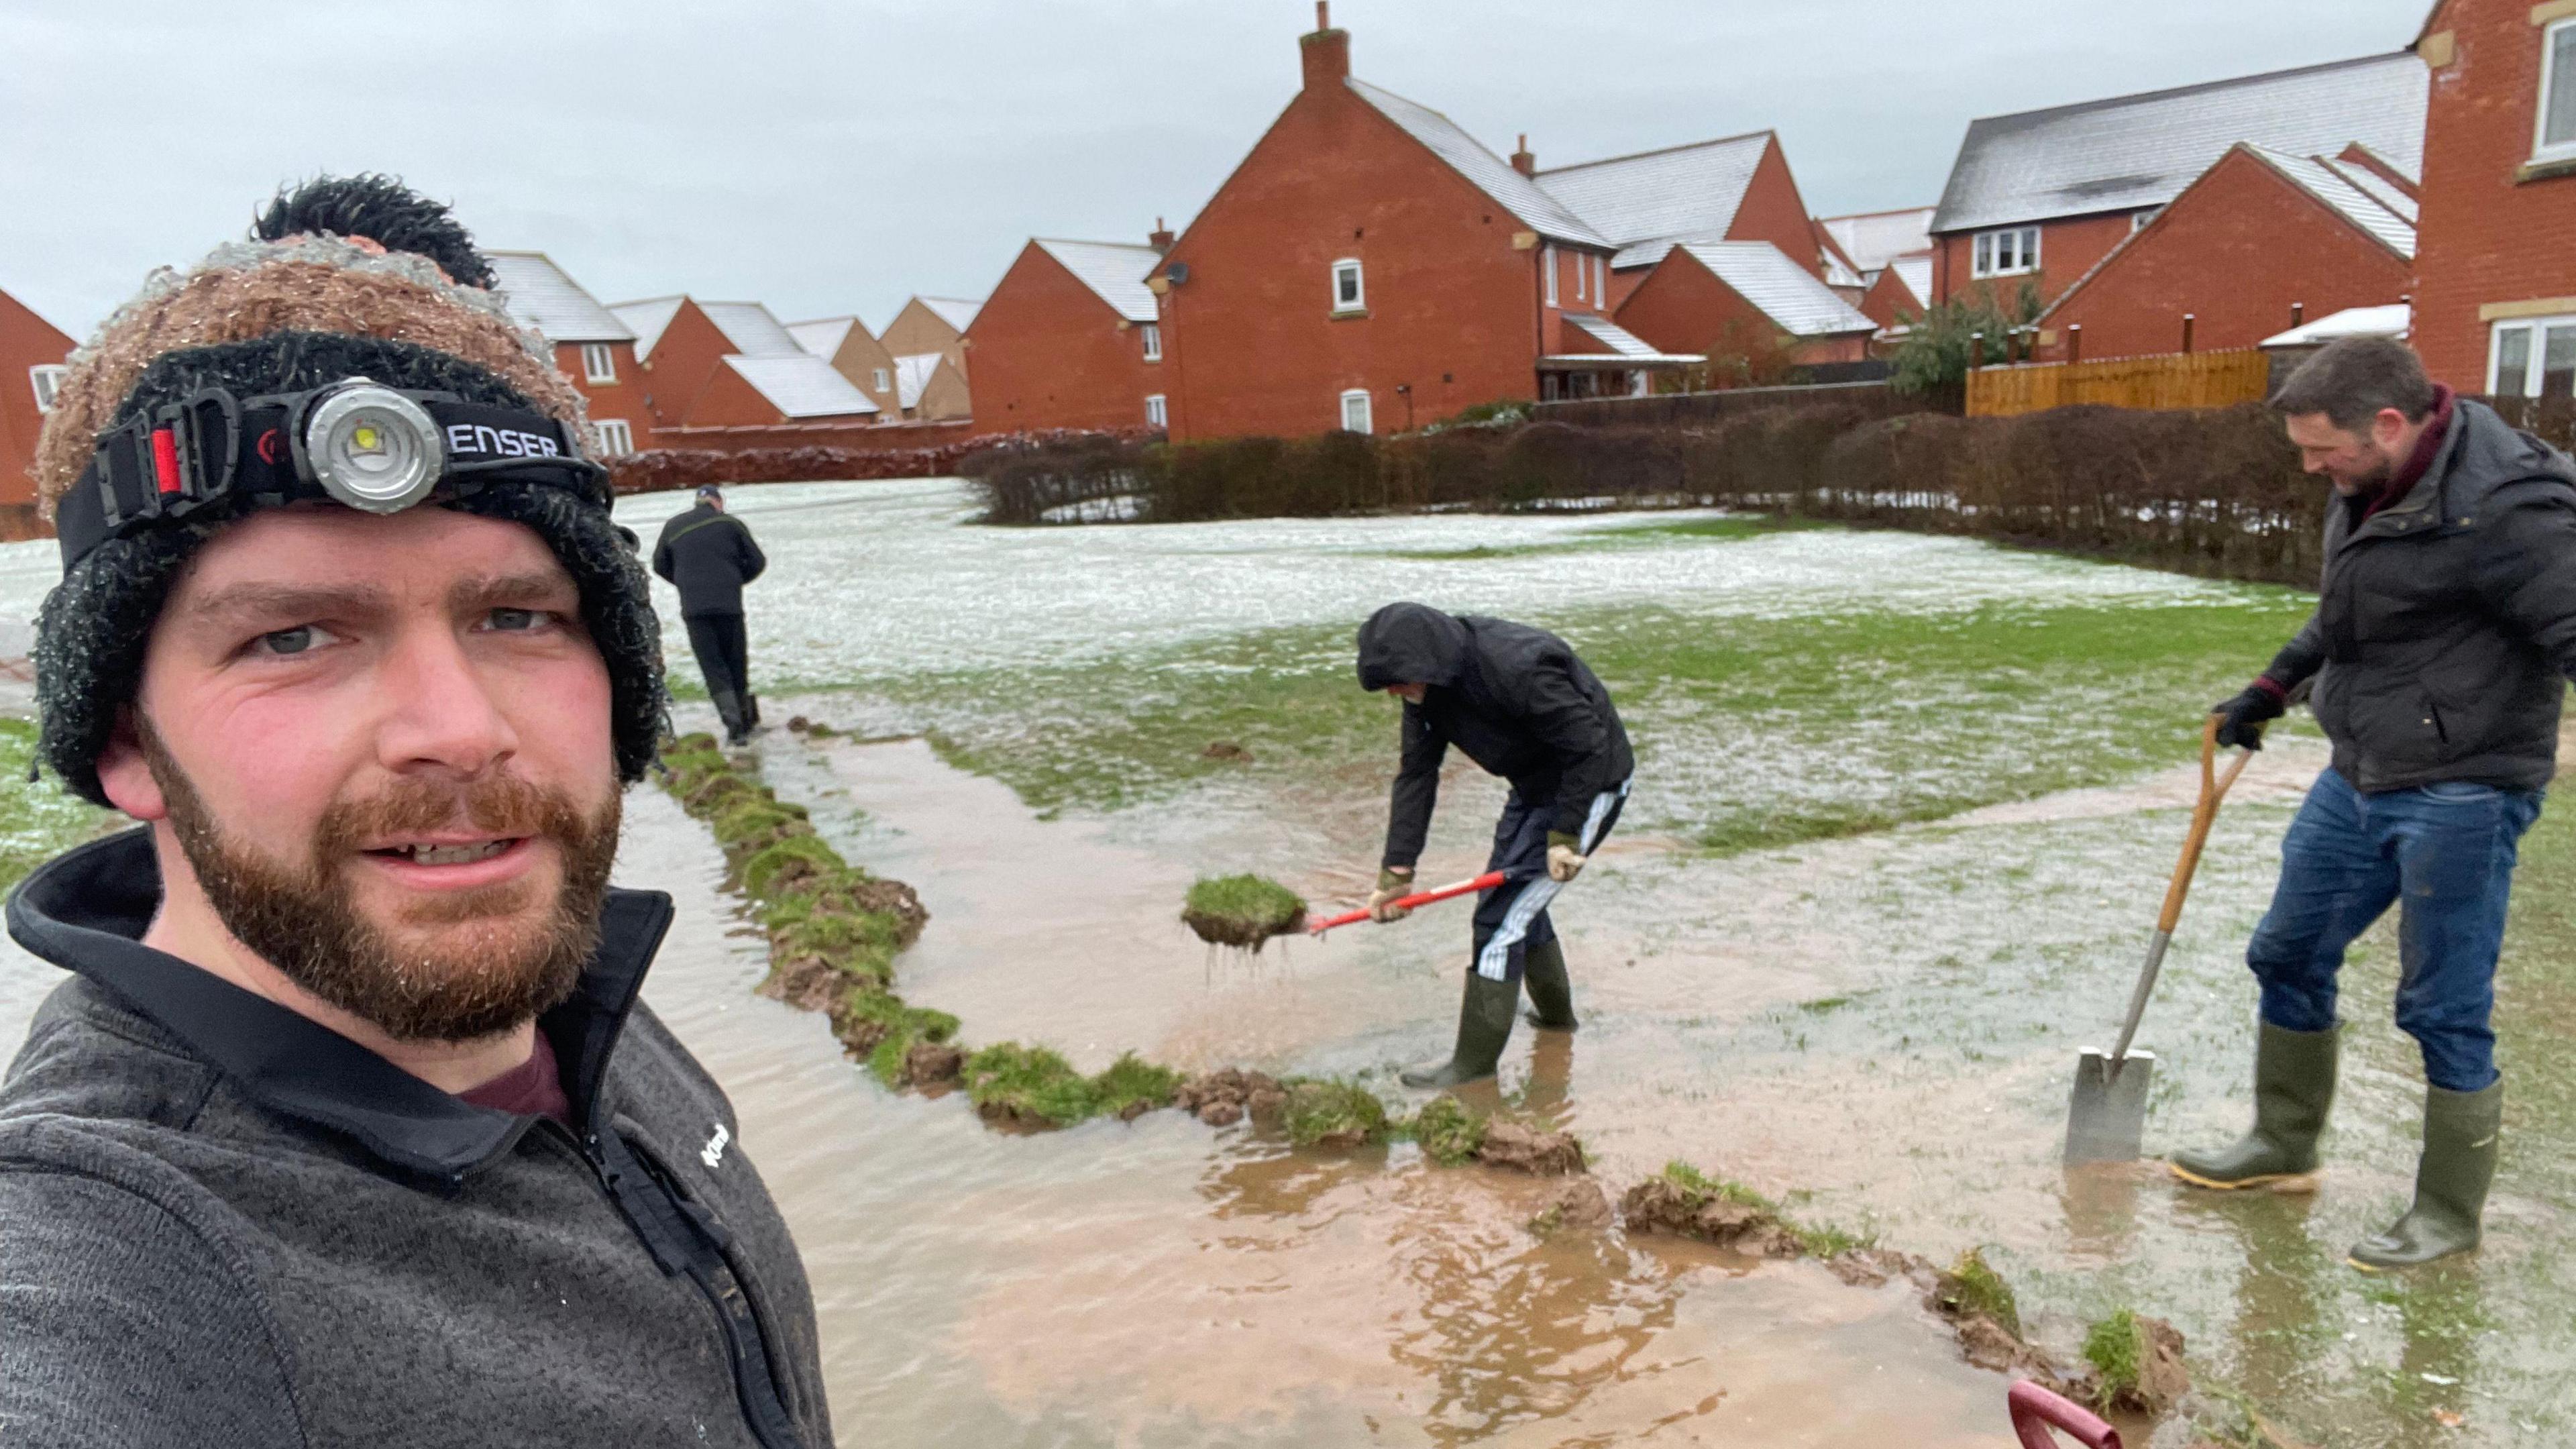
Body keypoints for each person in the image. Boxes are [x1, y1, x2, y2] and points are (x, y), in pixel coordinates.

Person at [0, 177, 831, 1446]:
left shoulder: (573, 988)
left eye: (516, 616)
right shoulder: (108, 1257)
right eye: (293, 636)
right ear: (128, 740)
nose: (456, 728)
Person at [2180, 336, 2576, 1271]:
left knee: (2442, 1007)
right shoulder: (2371, 485)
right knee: (2286, 952)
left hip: (2465, 789)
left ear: (2390, 424)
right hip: (2360, 770)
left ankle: (2446, 1215)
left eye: (2326, 451)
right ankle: (2284, 1145)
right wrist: (2272, 689)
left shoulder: (2508, 508)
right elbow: (2351, 605)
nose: (2315, 469)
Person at [1354, 602, 1633, 1087]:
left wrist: (1566, 834)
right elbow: (1417, 774)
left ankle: (1472, 1069)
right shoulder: (1424, 690)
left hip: (1588, 784)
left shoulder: (1518, 666)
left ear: (1427, 662)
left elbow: (1588, 744)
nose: (1396, 693)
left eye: (1399, 682)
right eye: (1389, 687)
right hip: (1530, 786)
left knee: (1498, 920)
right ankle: (1557, 1024)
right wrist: (1396, 873)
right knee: (1516, 908)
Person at [653, 484, 767, 745]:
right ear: (718, 501)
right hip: (729, 605)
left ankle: (734, 726)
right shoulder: (730, 524)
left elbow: (660, 564)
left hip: (695, 609)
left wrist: (685, 582)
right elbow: (758, 561)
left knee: (713, 666)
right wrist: (735, 580)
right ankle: (745, 720)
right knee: (735, 661)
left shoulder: (674, 526)